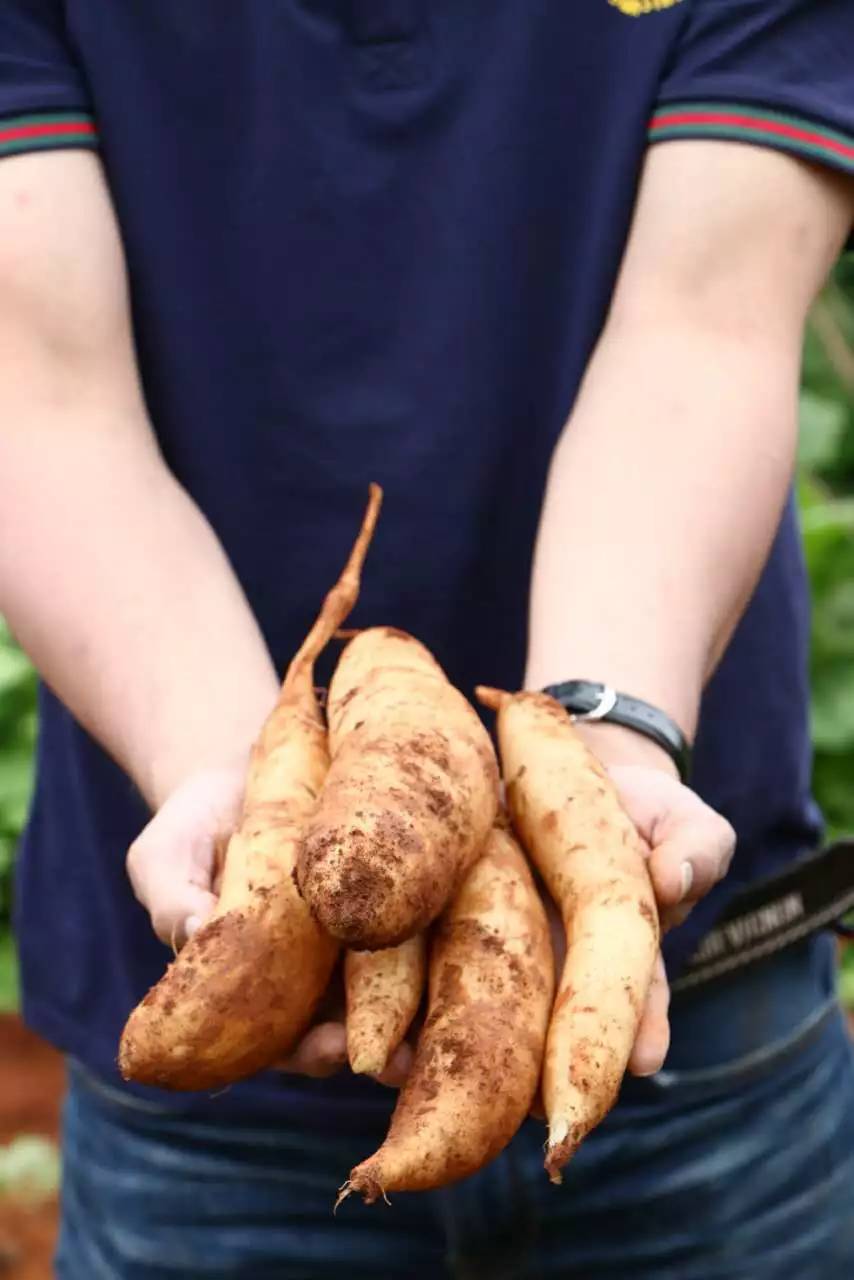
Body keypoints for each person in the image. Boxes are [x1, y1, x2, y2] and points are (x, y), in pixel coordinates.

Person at [1, 1, 853, 1276]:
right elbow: (40, 395)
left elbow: (705, 325)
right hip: (212, 1035)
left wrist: (599, 726)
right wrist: (250, 805)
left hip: (700, 1031)